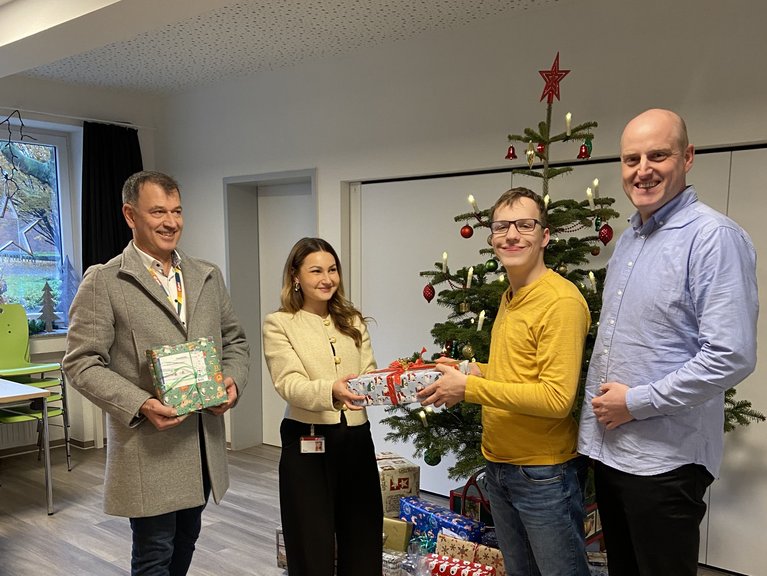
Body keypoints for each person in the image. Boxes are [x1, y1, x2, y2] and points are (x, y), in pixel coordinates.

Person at [578, 109, 758, 576]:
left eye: (658, 155)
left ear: (688, 157)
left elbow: (731, 355)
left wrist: (635, 402)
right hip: (612, 452)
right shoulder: (629, 239)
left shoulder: (713, 238)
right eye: (631, 158)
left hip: (665, 463)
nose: (643, 170)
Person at [63, 170, 250, 576]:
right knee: (154, 554)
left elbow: (235, 340)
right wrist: (141, 403)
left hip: (201, 443)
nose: (171, 222)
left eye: (178, 211)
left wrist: (232, 380)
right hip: (149, 448)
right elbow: (80, 363)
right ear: (130, 215)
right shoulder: (105, 280)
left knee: (187, 540)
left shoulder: (206, 275)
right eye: (158, 212)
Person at [418, 187, 592, 576]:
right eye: (501, 226)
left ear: (544, 235)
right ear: (492, 237)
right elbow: (518, 372)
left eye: (524, 225)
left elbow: (555, 398)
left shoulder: (561, 302)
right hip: (500, 467)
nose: (512, 235)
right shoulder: (511, 295)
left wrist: (469, 389)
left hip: (543, 475)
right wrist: (471, 371)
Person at [262, 237, 383, 576]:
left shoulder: (353, 320)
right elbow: (289, 383)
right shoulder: (280, 323)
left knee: (363, 537)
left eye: (332, 270)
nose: (327, 278)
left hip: (357, 438)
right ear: (295, 275)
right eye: (316, 270)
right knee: (309, 542)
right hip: (307, 440)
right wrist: (332, 390)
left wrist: (389, 384)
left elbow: (370, 371)